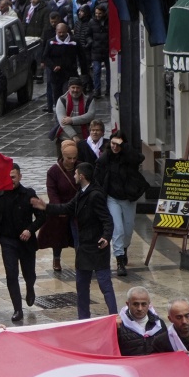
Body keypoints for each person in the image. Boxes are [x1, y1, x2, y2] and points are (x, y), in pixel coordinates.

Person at [33, 160, 117, 318]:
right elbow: (67, 207)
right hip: (84, 247)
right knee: (82, 286)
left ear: (82, 176)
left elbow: (107, 219)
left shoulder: (95, 195)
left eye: (75, 174)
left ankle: (114, 316)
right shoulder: (81, 192)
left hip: (98, 248)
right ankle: (83, 319)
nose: (73, 176)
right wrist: (47, 207)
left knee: (105, 285)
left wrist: (106, 237)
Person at [0, 161, 42, 323]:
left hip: (26, 242)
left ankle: (30, 288)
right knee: (11, 274)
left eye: (14, 177)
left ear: (20, 177)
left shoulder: (29, 194)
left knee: (29, 274)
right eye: (9, 177)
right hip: (7, 241)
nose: (12, 180)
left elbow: (42, 216)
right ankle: (17, 308)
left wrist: (30, 230)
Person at [101, 131, 146, 277]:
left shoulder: (129, 157)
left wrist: (125, 148)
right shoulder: (106, 156)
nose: (114, 147)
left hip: (128, 198)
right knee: (118, 229)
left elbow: (139, 158)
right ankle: (119, 259)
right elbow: (97, 171)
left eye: (118, 144)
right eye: (112, 143)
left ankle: (124, 248)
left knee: (128, 228)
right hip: (112, 198)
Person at [38, 139, 78, 272]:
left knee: (78, 234)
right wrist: (58, 208)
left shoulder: (81, 167)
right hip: (60, 207)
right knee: (58, 235)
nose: (72, 161)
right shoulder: (53, 171)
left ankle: (81, 259)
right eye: (69, 158)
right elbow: (52, 191)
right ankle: (56, 258)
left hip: (77, 207)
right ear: (62, 156)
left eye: (74, 158)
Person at [115, 286, 166, 356]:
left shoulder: (159, 325)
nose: (140, 308)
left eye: (144, 304)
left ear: (149, 304)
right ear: (128, 304)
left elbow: (167, 349)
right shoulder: (118, 326)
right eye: (135, 304)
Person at [53, 76, 92, 141]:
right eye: (73, 87)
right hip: (65, 136)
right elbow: (63, 121)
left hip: (85, 135)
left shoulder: (89, 100)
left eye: (78, 88)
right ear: (69, 88)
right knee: (69, 150)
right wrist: (74, 136)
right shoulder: (62, 100)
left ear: (82, 88)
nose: (75, 90)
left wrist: (71, 120)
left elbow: (90, 116)